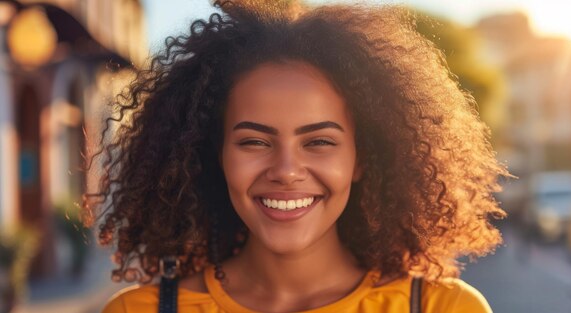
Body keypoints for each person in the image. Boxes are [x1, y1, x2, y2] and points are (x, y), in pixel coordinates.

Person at [88, 1, 508, 312]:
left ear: (363, 158)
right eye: (254, 142)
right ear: (215, 155)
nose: (286, 171)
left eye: (320, 142)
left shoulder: (444, 307)